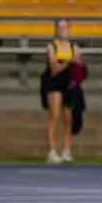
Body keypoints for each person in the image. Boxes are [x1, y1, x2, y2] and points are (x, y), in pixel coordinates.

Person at [41, 18, 80, 164]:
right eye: (61, 27)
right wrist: (70, 61)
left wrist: (76, 70)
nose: (63, 30)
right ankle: (51, 151)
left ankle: (67, 150)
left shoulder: (74, 46)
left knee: (69, 118)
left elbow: (79, 68)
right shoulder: (51, 46)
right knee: (55, 115)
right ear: (56, 30)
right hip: (54, 82)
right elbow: (55, 69)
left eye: (66, 27)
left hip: (69, 83)